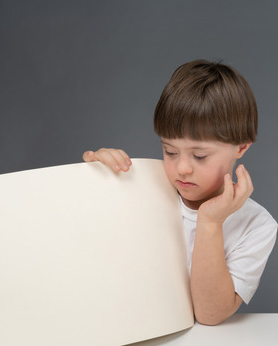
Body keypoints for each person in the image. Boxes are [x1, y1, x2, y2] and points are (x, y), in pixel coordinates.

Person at [82, 59, 277, 326]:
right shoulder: (144, 190)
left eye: (199, 156)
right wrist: (96, 179)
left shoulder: (258, 225)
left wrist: (210, 222)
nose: (182, 168)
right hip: (122, 331)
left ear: (241, 147)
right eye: (170, 151)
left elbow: (210, 314)